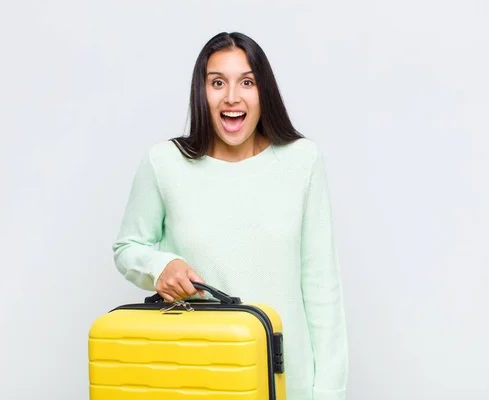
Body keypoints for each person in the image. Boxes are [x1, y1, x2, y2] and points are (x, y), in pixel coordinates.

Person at [112, 31, 348, 400]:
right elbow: (127, 247)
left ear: (263, 91)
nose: (232, 97)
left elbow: (322, 287)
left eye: (247, 82)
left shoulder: (302, 161)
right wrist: (161, 266)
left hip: (286, 382)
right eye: (217, 82)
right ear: (200, 92)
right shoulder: (165, 163)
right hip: (196, 377)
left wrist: (329, 391)